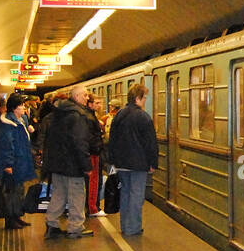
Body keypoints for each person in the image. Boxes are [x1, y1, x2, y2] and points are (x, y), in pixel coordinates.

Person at [42, 86, 97, 239]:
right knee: (77, 195)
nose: (87, 98)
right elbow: (80, 142)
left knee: (59, 194)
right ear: (78, 96)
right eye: (85, 95)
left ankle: (51, 224)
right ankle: (76, 227)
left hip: (58, 163)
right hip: (72, 164)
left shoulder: (58, 113)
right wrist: (86, 165)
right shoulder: (77, 115)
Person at [107, 83, 158, 236]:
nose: (145, 101)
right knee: (136, 195)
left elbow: (112, 140)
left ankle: (124, 225)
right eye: (144, 98)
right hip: (138, 164)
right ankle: (133, 228)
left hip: (121, 164)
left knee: (125, 193)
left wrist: (113, 161)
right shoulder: (143, 117)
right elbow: (150, 143)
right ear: (138, 98)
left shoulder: (119, 115)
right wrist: (152, 163)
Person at [0, 93, 36, 229]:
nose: (24, 108)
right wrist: (8, 164)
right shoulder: (7, 124)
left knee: (18, 190)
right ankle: (10, 219)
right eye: (21, 106)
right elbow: (6, 145)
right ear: (14, 108)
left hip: (21, 161)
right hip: (13, 163)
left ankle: (17, 215)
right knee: (10, 192)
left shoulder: (21, 120)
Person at [85, 94, 107, 217]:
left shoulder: (90, 116)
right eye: (97, 103)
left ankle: (93, 206)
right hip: (93, 153)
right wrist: (97, 148)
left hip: (92, 152)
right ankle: (93, 208)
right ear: (90, 104)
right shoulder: (90, 117)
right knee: (93, 181)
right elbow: (91, 137)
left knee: (94, 180)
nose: (100, 106)